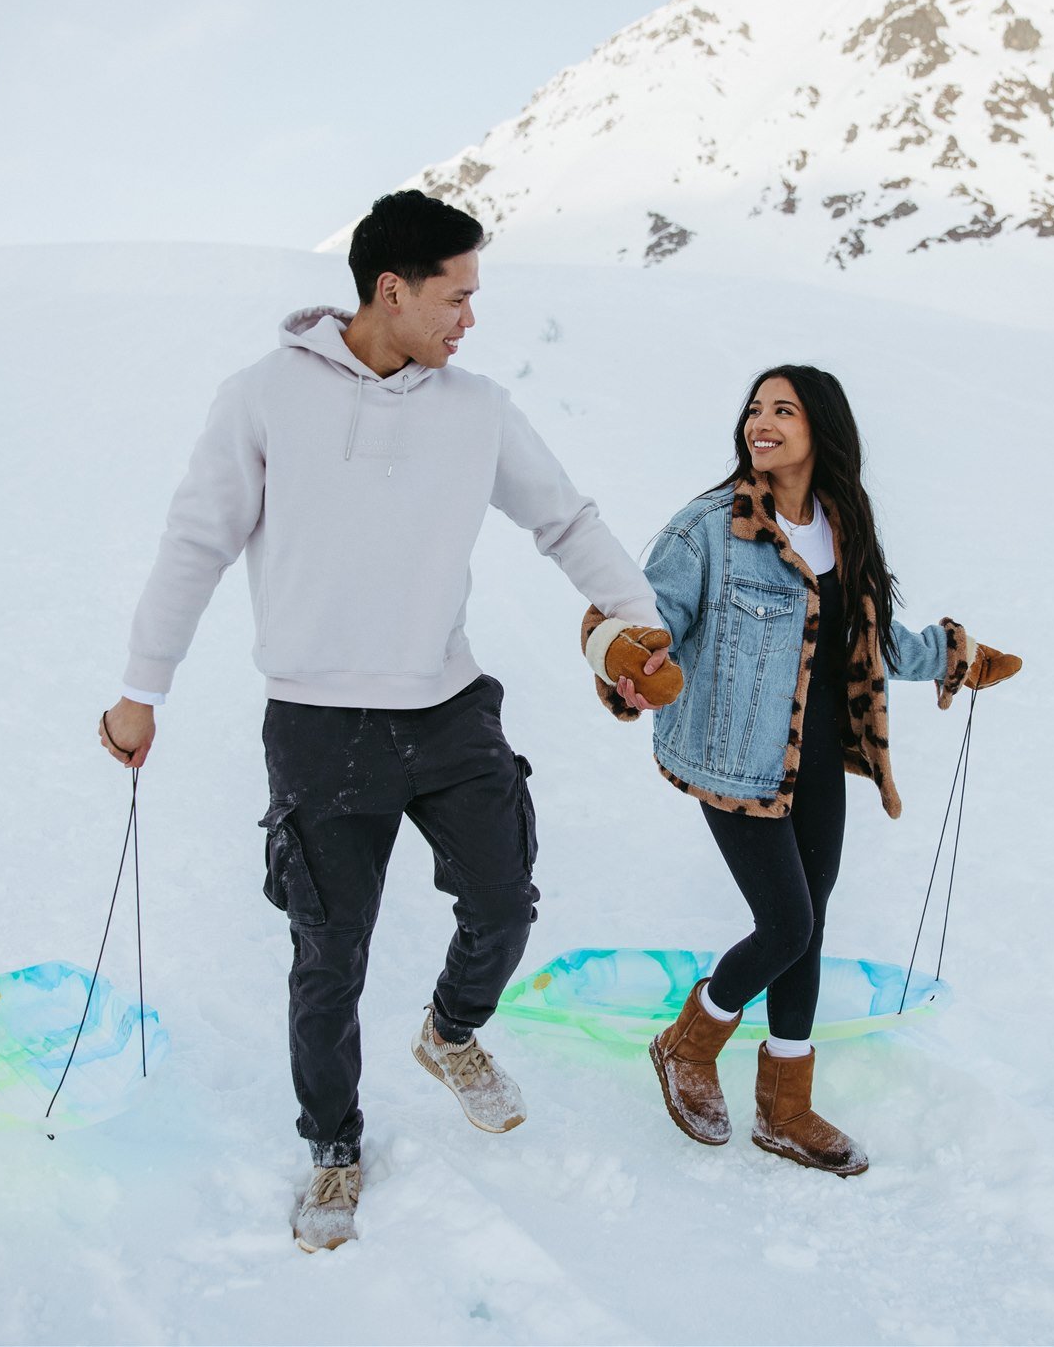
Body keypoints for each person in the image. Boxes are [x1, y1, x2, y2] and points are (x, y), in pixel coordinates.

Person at [97, 190, 664, 1252]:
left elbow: (564, 519)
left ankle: (451, 1034)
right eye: (457, 295)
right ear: (389, 291)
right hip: (319, 725)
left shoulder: (477, 407)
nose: (469, 318)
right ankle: (331, 1145)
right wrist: (142, 690)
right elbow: (194, 545)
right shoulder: (262, 398)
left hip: (446, 706)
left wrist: (637, 622)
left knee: (503, 901)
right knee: (329, 957)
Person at [580, 364, 1020, 1177]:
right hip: (731, 756)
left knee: (810, 922)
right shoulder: (710, 526)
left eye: (782, 409)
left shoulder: (844, 524)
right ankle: (687, 1042)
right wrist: (630, 659)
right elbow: (653, 618)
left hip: (819, 755)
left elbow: (879, 642)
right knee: (787, 924)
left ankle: (785, 1108)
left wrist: (959, 659)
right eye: (754, 408)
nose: (761, 421)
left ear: (822, 427)